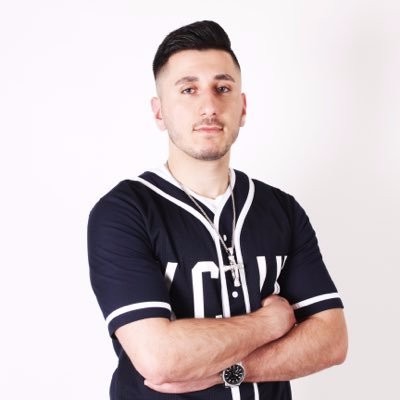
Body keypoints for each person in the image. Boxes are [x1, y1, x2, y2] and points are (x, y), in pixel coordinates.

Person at [87, 20, 348, 400]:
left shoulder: (281, 209)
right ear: (159, 112)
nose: (209, 106)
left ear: (242, 107)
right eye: (188, 89)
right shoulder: (124, 212)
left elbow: (332, 339)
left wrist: (230, 372)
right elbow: (159, 359)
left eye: (222, 88)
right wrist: (270, 322)